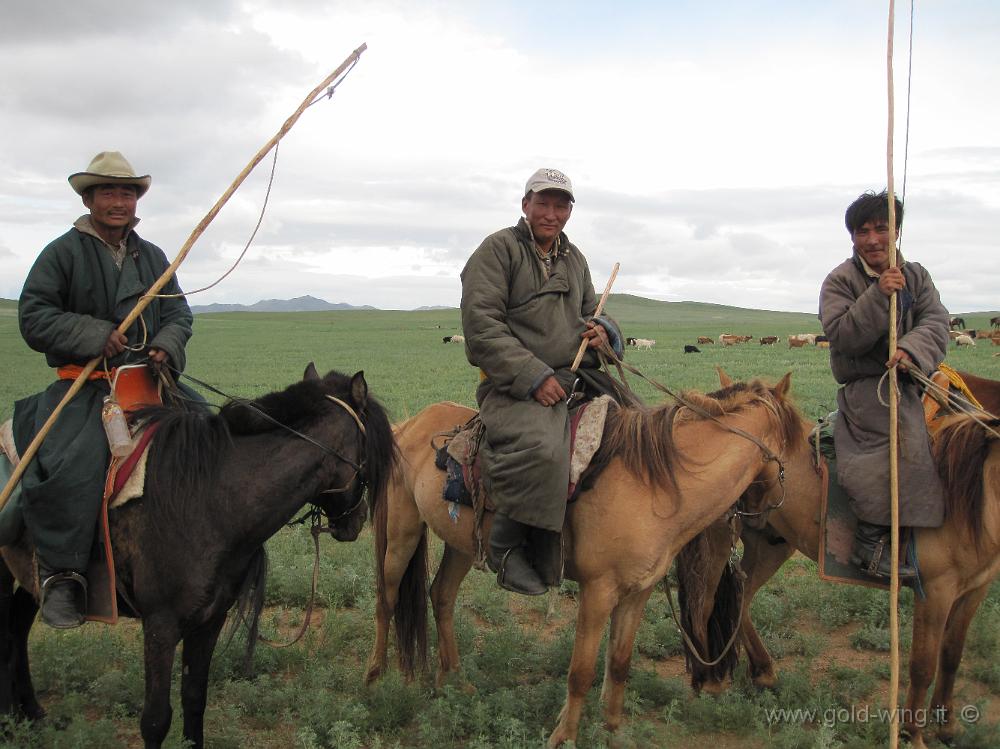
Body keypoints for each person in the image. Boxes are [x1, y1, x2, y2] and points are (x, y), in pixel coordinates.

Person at [13, 151, 196, 627]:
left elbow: (179, 313)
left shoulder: (153, 257)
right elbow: (33, 315)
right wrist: (92, 334)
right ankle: (63, 576)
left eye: (128, 193)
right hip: (87, 387)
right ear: (89, 198)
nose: (120, 201)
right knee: (77, 463)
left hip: (148, 384)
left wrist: (165, 344)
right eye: (109, 192)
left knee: (211, 435)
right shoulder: (62, 252)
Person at [460, 168, 625, 595]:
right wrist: (533, 376)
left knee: (637, 423)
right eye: (543, 203)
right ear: (525, 205)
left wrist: (603, 331)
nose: (552, 213)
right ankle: (507, 548)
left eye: (561, 205)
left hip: (574, 373)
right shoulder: (497, 251)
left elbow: (591, 311)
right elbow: (482, 327)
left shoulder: (575, 259)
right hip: (511, 383)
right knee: (545, 446)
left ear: (569, 211)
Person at [819, 190, 949, 579]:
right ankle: (873, 543)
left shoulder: (917, 276)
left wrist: (910, 350)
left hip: (911, 381)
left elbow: (937, 322)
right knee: (890, 442)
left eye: (882, 228)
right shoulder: (840, 280)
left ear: (897, 232)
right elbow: (842, 334)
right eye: (863, 231)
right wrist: (879, 295)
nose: (873, 238)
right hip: (867, 388)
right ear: (853, 237)